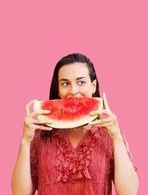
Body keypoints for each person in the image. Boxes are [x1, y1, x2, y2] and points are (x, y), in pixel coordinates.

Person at [11, 53, 139, 195]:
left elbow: (130, 192)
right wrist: (25, 141)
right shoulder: (40, 136)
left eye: (81, 82)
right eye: (65, 83)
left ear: (93, 85)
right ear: (58, 90)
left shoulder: (109, 134)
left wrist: (116, 137)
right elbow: (19, 193)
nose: (73, 91)